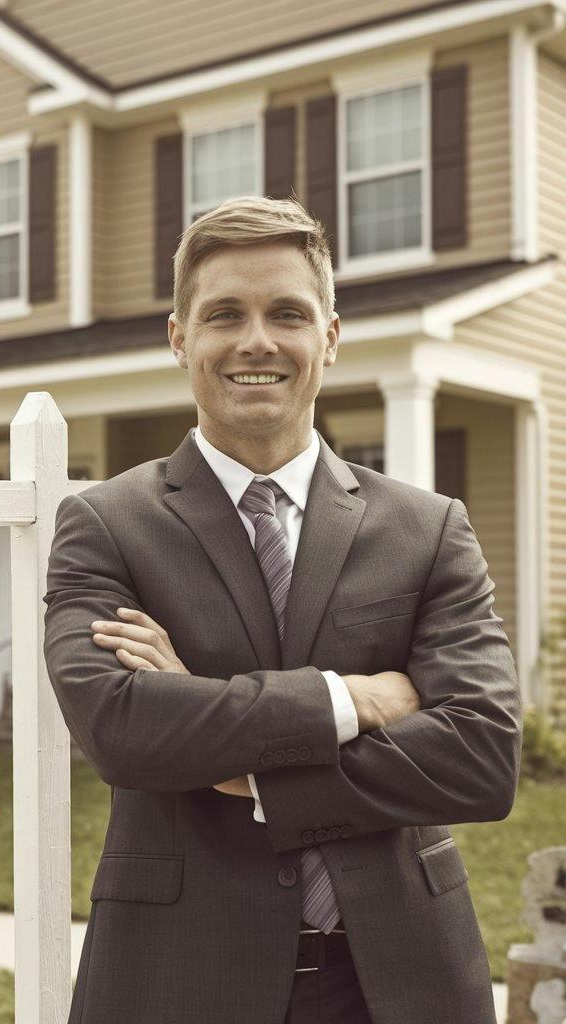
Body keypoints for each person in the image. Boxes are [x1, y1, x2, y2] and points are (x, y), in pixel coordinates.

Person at [41, 195, 522, 1024]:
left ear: (328, 337)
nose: (256, 341)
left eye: (287, 314)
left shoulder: (428, 528)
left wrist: (245, 766)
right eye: (225, 313)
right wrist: (356, 699)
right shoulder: (106, 524)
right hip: (181, 980)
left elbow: (480, 755)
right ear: (180, 337)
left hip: (403, 982)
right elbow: (121, 727)